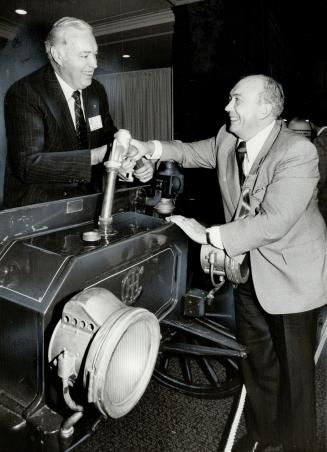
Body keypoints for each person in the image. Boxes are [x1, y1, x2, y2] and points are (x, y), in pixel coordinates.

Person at [128, 75, 327, 451]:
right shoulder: (227, 139)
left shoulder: (297, 151)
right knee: (256, 363)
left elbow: (275, 222)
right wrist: (148, 147)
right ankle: (264, 436)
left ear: (265, 109)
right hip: (249, 270)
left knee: (296, 377)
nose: (227, 107)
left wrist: (208, 235)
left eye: (236, 100)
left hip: (292, 273)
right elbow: (186, 152)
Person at [3, 17, 153, 208]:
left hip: (87, 202)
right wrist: (99, 156)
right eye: (84, 56)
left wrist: (134, 159)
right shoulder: (25, 92)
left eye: (95, 54)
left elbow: (108, 136)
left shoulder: (95, 91)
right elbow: (28, 165)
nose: (95, 63)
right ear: (58, 56)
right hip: (38, 209)